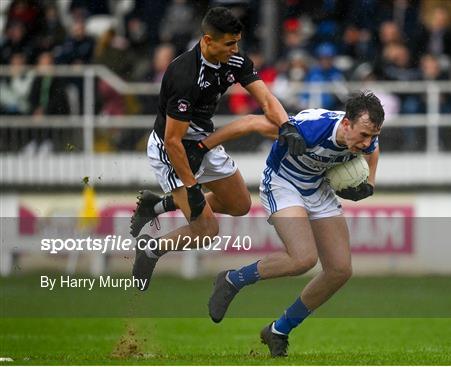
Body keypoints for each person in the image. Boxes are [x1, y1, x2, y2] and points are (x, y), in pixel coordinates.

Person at [131, 7, 306, 291]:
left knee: (240, 205)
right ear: (208, 40)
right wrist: (191, 187)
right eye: (229, 44)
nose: (235, 49)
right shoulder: (184, 75)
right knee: (207, 231)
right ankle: (151, 249)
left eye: (237, 42)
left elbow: (265, 98)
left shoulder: (234, 60)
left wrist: (285, 125)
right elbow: (173, 140)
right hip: (172, 149)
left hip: (204, 142)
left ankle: (158, 204)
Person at [208, 91, 385, 357]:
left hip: (317, 189)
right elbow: (250, 123)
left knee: (340, 270)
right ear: (346, 123)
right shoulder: (310, 129)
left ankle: (278, 330)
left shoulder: (365, 137)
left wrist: (369, 184)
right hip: (283, 184)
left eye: (373, 135)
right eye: (363, 135)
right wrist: (202, 147)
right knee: (302, 259)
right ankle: (233, 280)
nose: (367, 142)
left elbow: (374, 150)